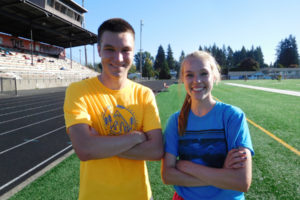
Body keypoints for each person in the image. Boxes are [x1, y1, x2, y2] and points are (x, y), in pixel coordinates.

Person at [64, 18, 163, 200]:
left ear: (133, 53)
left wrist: (99, 143)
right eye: (110, 49)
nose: (118, 58)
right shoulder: (78, 91)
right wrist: (136, 137)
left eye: (125, 50)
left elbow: (156, 150)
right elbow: (84, 149)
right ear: (99, 50)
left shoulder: (144, 94)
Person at [161, 51, 254, 200]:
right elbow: (168, 176)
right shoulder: (176, 121)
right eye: (190, 75)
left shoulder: (232, 117)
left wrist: (186, 166)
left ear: (214, 76)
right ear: (182, 79)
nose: (197, 80)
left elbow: (241, 182)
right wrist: (222, 174)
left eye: (204, 73)